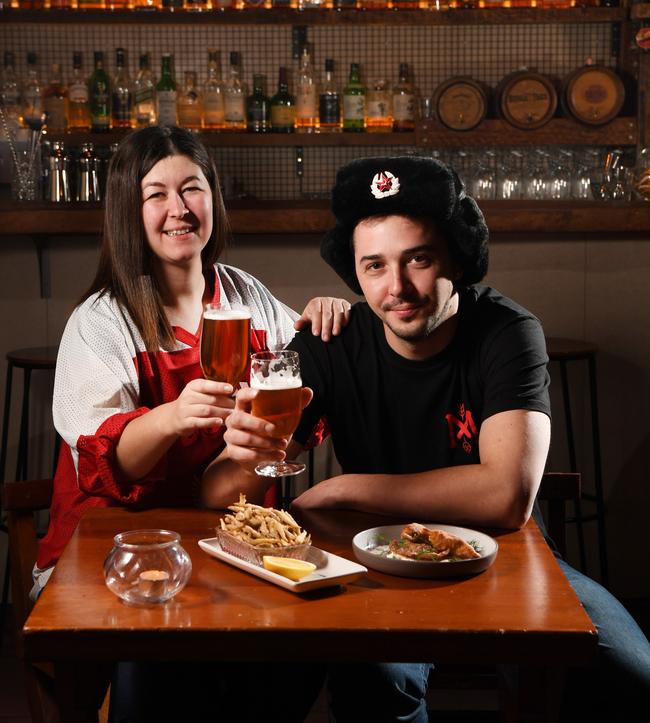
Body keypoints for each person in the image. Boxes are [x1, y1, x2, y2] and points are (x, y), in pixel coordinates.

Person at [219, 156, 650, 722]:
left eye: (418, 259)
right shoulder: (331, 342)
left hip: (502, 559)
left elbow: (506, 498)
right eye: (373, 266)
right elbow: (241, 484)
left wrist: (349, 488)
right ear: (354, 272)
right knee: (368, 681)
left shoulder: (507, 331)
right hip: (374, 563)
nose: (396, 287)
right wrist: (241, 440)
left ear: (457, 258)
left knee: (632, 679)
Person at [33, 125, 350, 598]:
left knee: (285, 657)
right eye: (156, 194)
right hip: (113, 547)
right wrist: (174, 417)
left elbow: (308, 366)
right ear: (129, 210)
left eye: (191, 190)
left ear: (212, 200)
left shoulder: (244, 295)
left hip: (223, 544)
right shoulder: (101, 320)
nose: (179, 210)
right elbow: (111, 462)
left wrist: (329, 313)